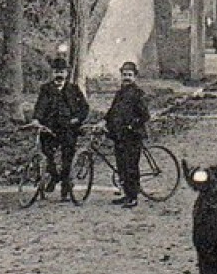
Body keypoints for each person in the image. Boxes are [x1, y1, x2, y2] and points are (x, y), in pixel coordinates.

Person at [33, 57, 90, 203]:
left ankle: (65, 190)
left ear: (67, 73)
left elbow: (84, 108)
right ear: (52, 73)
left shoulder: (73, 89)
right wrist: (36, 119)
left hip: (68, 128)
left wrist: (77, 119)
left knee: (67, 159)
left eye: (62, 72)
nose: (59, 75)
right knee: (46, 153)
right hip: (50, 128)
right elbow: (40, 106)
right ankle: (53, 175)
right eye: (56, 72)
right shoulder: (46, 89)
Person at [104, 61, 150, 208]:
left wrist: (132, 125)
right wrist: (103, 122)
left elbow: (145, 115)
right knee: (121, 166)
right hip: (120, 135)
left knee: (131, 167)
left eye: (130, 75)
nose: (127, 78)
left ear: (135, 77)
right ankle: (126, 194)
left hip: (133, 135)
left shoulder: (138, 94)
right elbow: (112, 112)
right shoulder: (119, 93)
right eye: (124, 75)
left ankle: (133, 197)